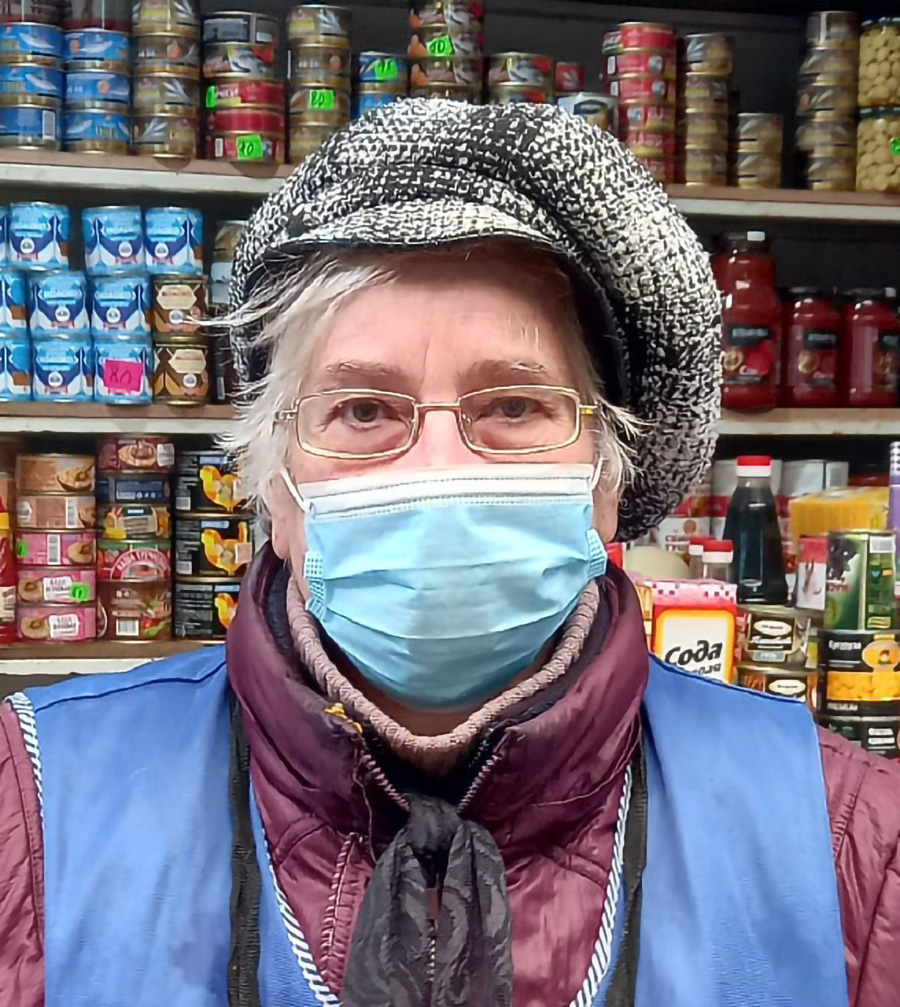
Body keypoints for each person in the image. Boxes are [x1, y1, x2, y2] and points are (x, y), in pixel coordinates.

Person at [0, 100, 898, 1007]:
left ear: (606, 483)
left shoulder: (845, 839)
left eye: (513, 406)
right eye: (362, 410)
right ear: (273, 486)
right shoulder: (37, 807)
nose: (435, 467)